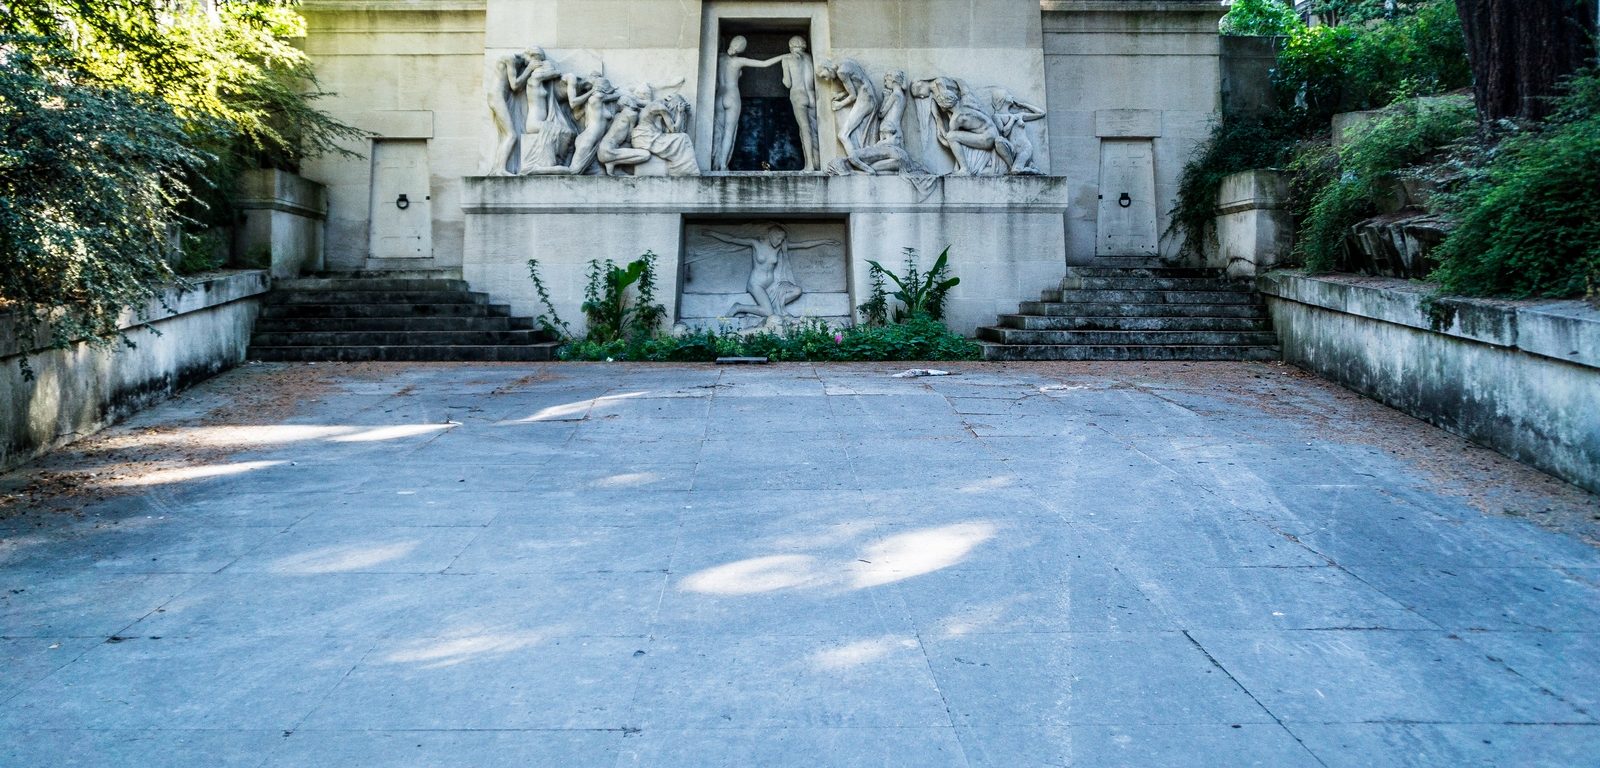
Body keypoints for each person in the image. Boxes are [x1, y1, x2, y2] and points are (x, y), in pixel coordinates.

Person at [702, 225, 839, 325]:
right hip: (757, 284)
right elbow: (732, 239)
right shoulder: (755, 243)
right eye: (779, 238)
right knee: (768, 312)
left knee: (797, 290)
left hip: (773, 285)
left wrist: (824, 241)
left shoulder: (779, 247)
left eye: (782, 239)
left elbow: (802, 245)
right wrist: (712, 233)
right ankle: (739, 307)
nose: (780, 242)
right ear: (772, 235)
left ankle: (776, 306)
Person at [713, 36, 783, 171]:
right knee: (729, 132)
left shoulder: (719, 58)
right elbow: (764, 63)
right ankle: (722, 165)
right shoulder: (739, 61)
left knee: (718, 131)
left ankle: (714, 164)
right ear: (741, 49)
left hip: (719, 96)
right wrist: (784, 55)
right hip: (732, 96)